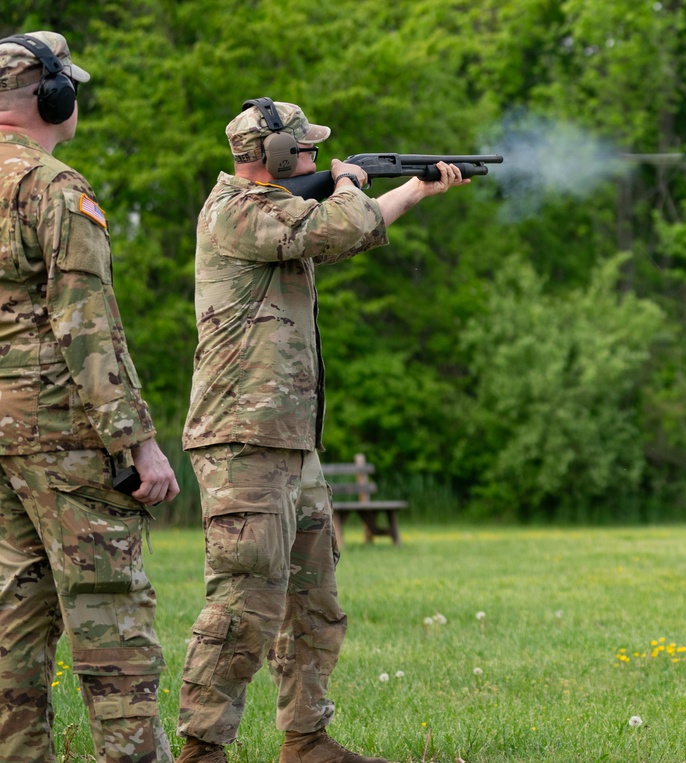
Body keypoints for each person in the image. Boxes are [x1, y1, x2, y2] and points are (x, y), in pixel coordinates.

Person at [176, 99, 470, 763]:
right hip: (244, 437)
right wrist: (347, 182)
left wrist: (414, 189)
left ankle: (306, 737)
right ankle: (202, 746)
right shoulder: (240, 211)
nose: (314, 158)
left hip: (289, 437)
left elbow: (347, 228)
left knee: (314, 597)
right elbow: (339, 223)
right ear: (275, 157)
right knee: (243, 602)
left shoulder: (286, 212)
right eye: (305, 151)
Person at [0, 31, 181, 763]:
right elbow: (87, 324)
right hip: (61, 436)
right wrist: (136, 441)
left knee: (12, 618)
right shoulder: (53, 187)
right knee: (111, 616)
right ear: (53, 96)